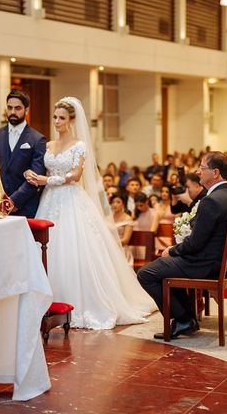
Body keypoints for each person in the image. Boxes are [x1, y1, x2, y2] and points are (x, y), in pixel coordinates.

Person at [26, 97, 154, 329]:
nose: (57, 122)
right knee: (48, 249)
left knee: (73, 248)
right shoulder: (48, 146)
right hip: (49, 200)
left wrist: (47, 179)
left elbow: (75, 176)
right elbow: (44, 169)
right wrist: (34, 177)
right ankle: (47, 302)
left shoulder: (79, 146)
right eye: (55, 117)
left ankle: (79, 302)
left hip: (71, 200)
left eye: (62, 118)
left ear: (72, 120)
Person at [137, 152, 227, 340]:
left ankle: (184, 319)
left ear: (216, 172)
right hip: (219, 261)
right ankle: (186, 319)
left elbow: (195, 244)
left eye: (202, 168)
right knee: (165, 269)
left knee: (146, 274)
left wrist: (172, 250)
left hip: (204, 264)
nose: (197, 171)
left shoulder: (211, 201)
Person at [0, 90, 47, 217]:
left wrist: (14, 201)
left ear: (26, 110)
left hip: (26, 207)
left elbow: (36, 177)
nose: (13, 112)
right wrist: (1, 200)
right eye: (9, 108)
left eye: (18, 108)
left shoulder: (38, 139)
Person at [110, 193, 134, 265]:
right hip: (109, 248)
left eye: (118, 202)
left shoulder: (127, 218)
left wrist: (110, 244)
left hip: (121, 248)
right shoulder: (109, 217)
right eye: (113, 202)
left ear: (123, 204)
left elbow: (125, 240)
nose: (115, 204)